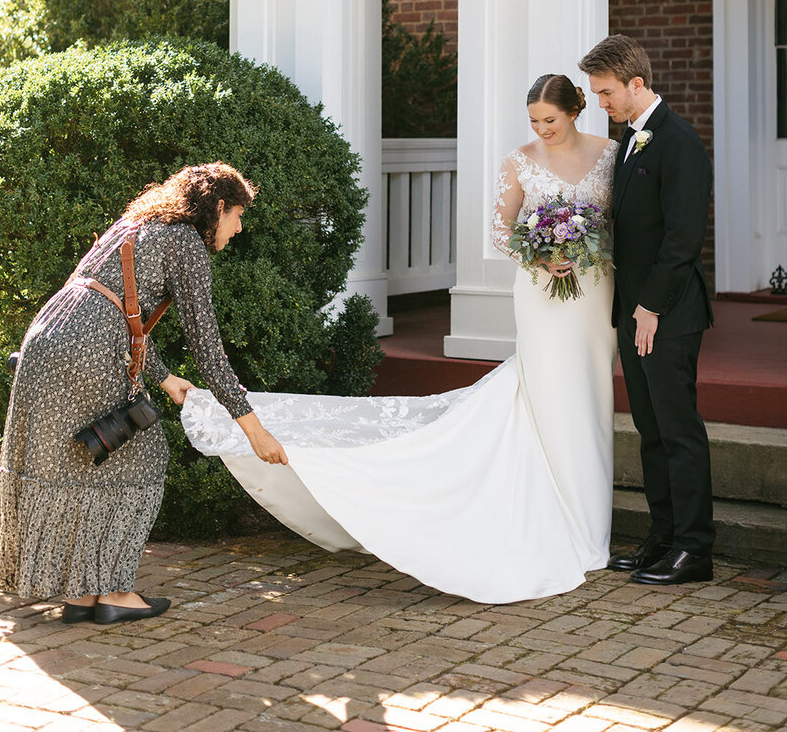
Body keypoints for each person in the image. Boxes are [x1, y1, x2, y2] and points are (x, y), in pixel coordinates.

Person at [181, 76, 618, 604]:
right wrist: (541, 253)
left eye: (550, 120)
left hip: (594, 289)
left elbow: (620, 221)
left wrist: (589, 249)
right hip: (542, 291)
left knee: (591, 396)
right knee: (550, 393)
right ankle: (558, 519)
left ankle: (594, 532)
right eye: (533, 121)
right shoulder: (519, 160)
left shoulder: (611, 155)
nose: (542, 130)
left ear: (576, 111)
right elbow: (502, 232)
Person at [0, 162, 287, 625]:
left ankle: (83, 594)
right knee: (144, 460)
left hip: (46, 339)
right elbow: (207, 348)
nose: (239, 227)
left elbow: (117, 305)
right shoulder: (186, 242)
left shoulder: (136, 224)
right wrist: (254, 430)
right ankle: (115, 593)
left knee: (80, 464)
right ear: (220, 207)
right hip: (89, 350)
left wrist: (165, 379)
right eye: (239, 216)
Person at [579, 35, 714, 585]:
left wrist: (651, 307)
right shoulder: (631, 140)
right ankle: (662, 537)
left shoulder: (678, 141)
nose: (601, 104)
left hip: (668, 313)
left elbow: (683, 238)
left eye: (606, 93)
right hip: (632, 310)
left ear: (636, 83)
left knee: (678, 429)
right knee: (651, 428)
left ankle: (694, 549)